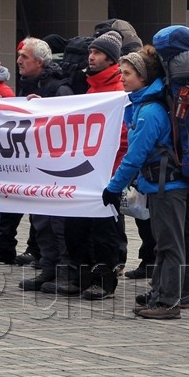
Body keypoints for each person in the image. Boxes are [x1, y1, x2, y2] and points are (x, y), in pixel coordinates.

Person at [103, 48, 189, 319]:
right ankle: (160, 295)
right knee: (164, 244)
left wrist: (114, 187)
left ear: (143, 77)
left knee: (170, 245)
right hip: (161, 186)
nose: (122, 78)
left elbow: (134, 156)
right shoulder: (147, 106)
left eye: (128, 73)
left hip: (168, 187)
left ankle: (169, 302)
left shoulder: (150, 112)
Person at [61, 31, 125, 300]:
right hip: (85, 170)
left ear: (110, 58)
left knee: (103, 232)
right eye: (91, 52)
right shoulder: (91, 88)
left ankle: (104, 281)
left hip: (106, 172)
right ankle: (80, 276)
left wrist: (113, 171)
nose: (91, 56)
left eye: (97, 53)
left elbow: (122, 135)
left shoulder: (118, 91)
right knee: (76, 227)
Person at [14, 37, 74, 290]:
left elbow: (68, 126)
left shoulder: (59, 88)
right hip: (34, 164)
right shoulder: (25, 85)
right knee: (40, 222)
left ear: (39, 61)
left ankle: (64, 273)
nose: (18, 61)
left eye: (24, 57)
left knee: (57, 223)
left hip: (55, 169)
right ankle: (48, 269)